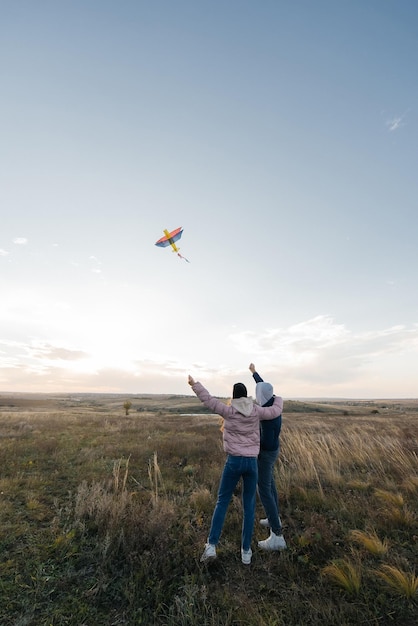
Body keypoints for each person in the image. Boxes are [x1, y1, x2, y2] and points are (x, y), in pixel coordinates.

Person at [188, 374, 283, 565]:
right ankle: (246, 552)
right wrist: (278, 397)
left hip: (233, 462)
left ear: (233, 396)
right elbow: (275, 410)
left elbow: (208, 400)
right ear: (247, 396)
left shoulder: (228, 411)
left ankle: (212, 546)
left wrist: (194, 384)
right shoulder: (256, 410)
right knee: (249, 506)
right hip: (251, 464)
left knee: (222, 501)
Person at [249, 363, 287, 551]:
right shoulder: (273, 402)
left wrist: (254, 445)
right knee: (270, 484)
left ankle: (277, 536)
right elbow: (263, 386)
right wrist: (254, 373)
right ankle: (274, 517)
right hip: (271, 452)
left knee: (263, 489)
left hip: (267, 453)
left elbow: (268, 442)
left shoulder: (269, 418)